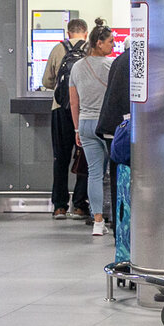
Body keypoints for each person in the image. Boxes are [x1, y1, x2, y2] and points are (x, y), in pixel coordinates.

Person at [70, 20, 116, 236]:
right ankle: (116, 218)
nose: (113, 46)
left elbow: (73, 102)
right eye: (110, 42)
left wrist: (77, 129)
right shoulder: (110, 65)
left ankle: (98, 222)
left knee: (94, 174)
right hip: (106, 124)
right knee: (114, 173)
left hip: (86, 125)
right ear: (99, 43)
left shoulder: (77, 67)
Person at [43, 18, 89, 220]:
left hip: (60, 109)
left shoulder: (57, 49)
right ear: (85, 33)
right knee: (84, 157)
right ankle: (80, 205)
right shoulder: (91, 49)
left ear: (68, 33)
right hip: (84, 110)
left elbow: (46, 81)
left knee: (60, 157)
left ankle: (59, 206)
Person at [96, 44, 131, 229]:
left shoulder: (120, 59)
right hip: (122, 128)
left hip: (113, 126)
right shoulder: (133, 60)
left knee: (117, 179)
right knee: (122, 181)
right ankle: (121, 230)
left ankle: (119, 228)